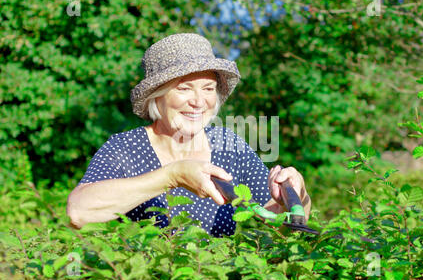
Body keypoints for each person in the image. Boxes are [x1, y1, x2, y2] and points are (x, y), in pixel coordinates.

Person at [67, 33, 311, 237]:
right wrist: (174, 175)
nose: (198, 101)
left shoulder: (228, 146)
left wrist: (297, 196)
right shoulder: (126, 148)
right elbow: (79, 212)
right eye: (184, 88)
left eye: (208, 89)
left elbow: (281, 225)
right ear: (157, 96)